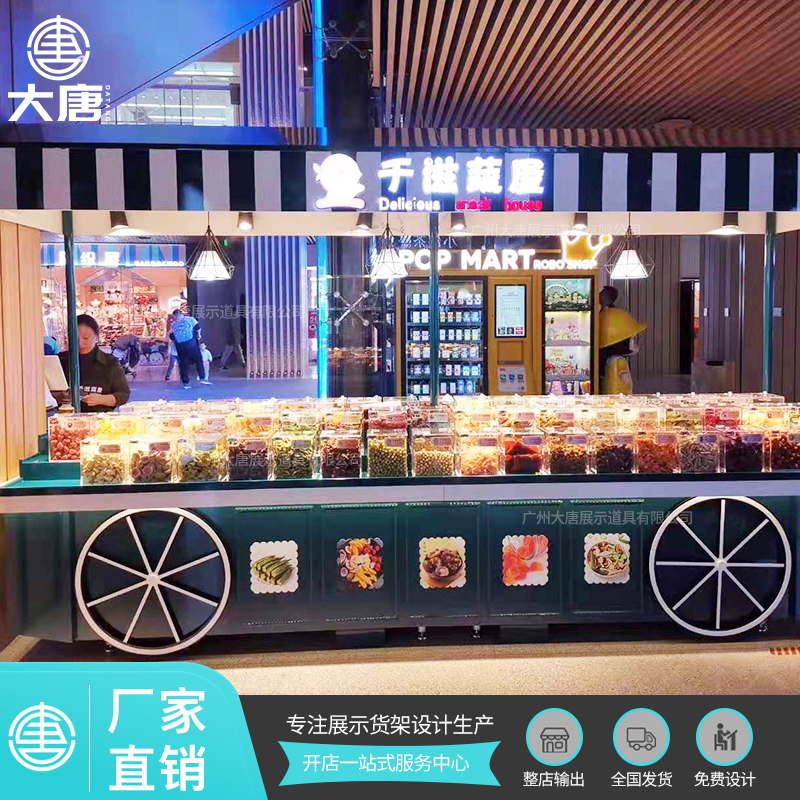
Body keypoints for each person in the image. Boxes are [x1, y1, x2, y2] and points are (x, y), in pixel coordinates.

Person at [58, 314, 130, 412]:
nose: (80, 343)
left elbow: (123, 395)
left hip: (100, 417)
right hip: (66, 416)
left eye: (86, 338)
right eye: (75, 338)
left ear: (96, 337)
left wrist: (101, 399)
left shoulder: (109, 363)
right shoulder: (61, 361)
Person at [598, 305, 647, 395]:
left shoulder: (608, 361)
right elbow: (626, 379)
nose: (634, 340)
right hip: (621, 397)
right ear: (620, 341)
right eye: (632, 338)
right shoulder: (619, 361)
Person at [169, 308, 210, 388]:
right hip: (191, 343)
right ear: (181, 314)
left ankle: (185, 382)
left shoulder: (173, 324)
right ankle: (202, 378)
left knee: (183, 364)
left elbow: (171, 336)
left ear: (174, 316)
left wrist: (176, 341)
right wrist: (199, 335)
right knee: (198, 359)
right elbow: (198, 327)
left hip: (180, 346)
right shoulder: (190, 319)